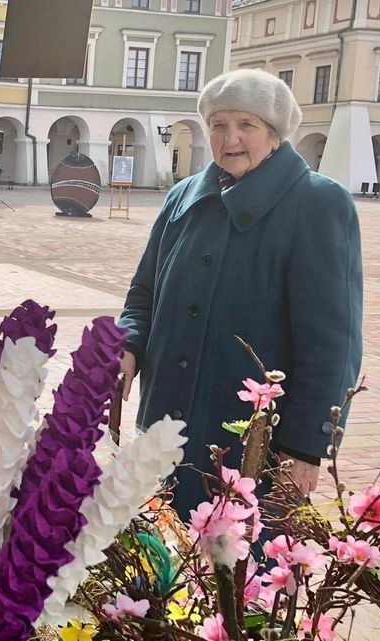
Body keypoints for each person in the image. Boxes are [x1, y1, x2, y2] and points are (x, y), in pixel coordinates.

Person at [117, 68, 363, 518]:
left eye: (246, 125)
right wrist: (126, 346)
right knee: (156, 571)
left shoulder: (317, 203)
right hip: (162, 433)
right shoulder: (183, 197)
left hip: (250, 453)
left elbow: (333, 343)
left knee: (236, 581)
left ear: (273, 134)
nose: (230, 138)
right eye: (218, 124)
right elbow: (143, 294)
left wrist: (307, 447)